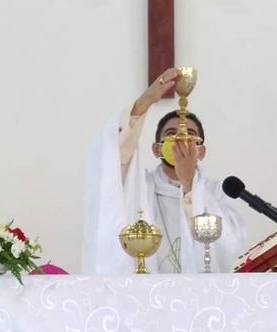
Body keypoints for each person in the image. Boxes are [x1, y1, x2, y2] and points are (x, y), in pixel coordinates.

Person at [83, 68, 245, 275]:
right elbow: (112, 158)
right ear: (156, 148)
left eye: (190, 135)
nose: (180, 141)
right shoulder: (138, 187)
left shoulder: (219, 192)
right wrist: (146, 101)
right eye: (171, 134)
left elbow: (232, 246)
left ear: (201, 151)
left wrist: (189, 185)